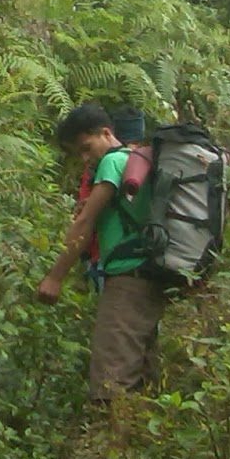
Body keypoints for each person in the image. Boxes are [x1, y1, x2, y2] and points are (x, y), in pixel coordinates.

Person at [36, 103, 175, 401]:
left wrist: (54, 277)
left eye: (87, 148)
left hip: (127, 278)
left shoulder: (113, 161)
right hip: (148, 274)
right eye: (79, 154)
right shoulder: (135, 160)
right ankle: (136, 440)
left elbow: (85, 224)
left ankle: (115, 441)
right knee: (143, 375)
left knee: (111, 381)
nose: (86, 158)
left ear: (106, 132)